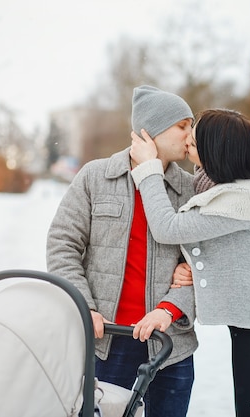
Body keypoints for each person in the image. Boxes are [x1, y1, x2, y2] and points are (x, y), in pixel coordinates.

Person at [130, 108, 250, 417]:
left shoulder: (243, 198)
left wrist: (150, 169)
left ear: (216, 153)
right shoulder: (246, 173)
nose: (186, 145)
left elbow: (169, 228)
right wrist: (196, 267)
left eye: (194, 144)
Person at [46, 85, 198, 417]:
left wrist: (172, 306)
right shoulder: (95, 177)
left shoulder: (190, 189)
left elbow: (207, 266)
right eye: (182, 126)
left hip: (169, 346)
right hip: (106, 343)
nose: (190, 136)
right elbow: (62, 245)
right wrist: (83, 306)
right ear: (152, 130)